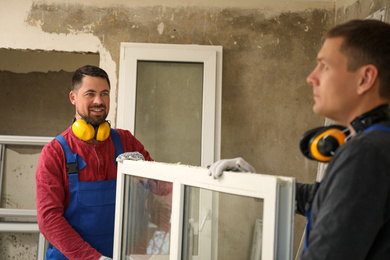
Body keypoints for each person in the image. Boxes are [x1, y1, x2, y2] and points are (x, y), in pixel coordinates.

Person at [208, 19, 390, 260]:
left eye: (324, 66)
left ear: (365, 78)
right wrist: (258, 183)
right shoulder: (376, 144)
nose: (311, 77)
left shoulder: (366, 155)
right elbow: (323, 199)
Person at [36, 65, 155, 260]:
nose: (99, 101)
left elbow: (159, 189)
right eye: (90, 94)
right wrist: (95, 259)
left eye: (104, 93)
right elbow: (48, 220)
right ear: (73, 98)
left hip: (120, 255)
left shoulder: (126, 142)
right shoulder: (55, 153)